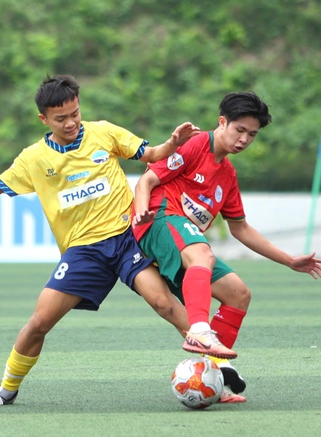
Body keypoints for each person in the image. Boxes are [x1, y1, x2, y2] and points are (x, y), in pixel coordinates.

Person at [0, 74, 206, 406]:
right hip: (83, 253)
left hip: (126, 239)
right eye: (60, 118)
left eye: (75, 113)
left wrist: (172, 144)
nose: (71, 122)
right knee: (39, 323)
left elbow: (153, 154)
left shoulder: (104, 132)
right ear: (44, 119)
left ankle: (217, 369)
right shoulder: (32, 159)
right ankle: (6, 388)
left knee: (164, 304)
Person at [132, 91, 321, 402]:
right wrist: (141, 213)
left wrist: (289, 260)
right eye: (240, 130)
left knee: (238, 293)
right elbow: (146, 182)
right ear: (222, 122)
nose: (245, 139)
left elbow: (240, 228)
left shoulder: (228, 175)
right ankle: (200, 332)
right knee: (202, 253)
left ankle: (212, 375)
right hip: (159, 219)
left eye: (252, 134)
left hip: (182, 235)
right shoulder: (196, 144)